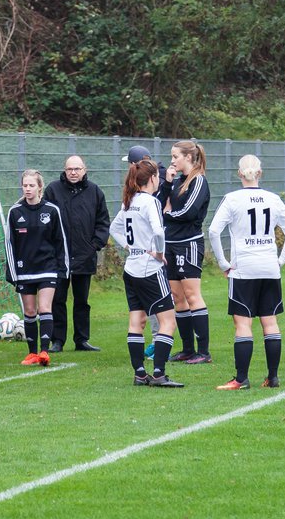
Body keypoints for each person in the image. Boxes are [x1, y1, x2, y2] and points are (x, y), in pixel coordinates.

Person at [208, 155, 285, 390]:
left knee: (243, 324)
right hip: (269, 267)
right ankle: (273, 377)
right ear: (260, 173)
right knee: (270, 322)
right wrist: (280, 260)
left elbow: (213, 231)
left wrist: (223, 263)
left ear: (239, 173)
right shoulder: (272, 198)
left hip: (244, 268)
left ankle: (241, 379)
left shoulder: (232, 199)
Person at [110, 158, 183, 388]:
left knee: (137, 320)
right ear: (152, 178)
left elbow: (114, 228)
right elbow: (158, 233)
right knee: (168, 322)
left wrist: (129, 247)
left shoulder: (128, 201)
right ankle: (159, 373)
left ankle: (140, 373)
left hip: (131, 267)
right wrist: (160, 254)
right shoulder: (150, 201)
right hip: (149, 269)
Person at [43, 155, 110, 353]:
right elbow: (45, 219)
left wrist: (95, 245)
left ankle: (82, 340)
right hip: (59, 257)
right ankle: (58, 340)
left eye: (77, 169)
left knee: (82, 301)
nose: (73, 172)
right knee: (58, 300)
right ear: (64, 170)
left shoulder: (95, 192)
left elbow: (102, 220)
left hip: (84, 255)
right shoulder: (53, 190)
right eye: (70, 169)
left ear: (84, 170)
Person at [5, 169, 70, 366]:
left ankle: (44, 351)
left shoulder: (51, 210)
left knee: (44, 308)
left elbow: (61, 242)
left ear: (40, 187)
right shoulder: (15, 212)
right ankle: (32, 353)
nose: (27, 189)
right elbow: (9, 244)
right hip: (25, 271)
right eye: (25, 185)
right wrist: (13, 272)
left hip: (48, 268)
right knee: (30, 311)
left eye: (31, 185)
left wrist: (63, 269)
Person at [163, 141, 213, 364]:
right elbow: (163, 204)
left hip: (188, 243)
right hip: (170, 242)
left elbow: (189, 212)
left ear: (188, 158)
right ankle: (187, 349)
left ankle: (204, 352)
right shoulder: (176, 180)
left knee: (193, 296)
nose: (172, 160)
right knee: (178, 297)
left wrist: (166, 216)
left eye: (175, 156)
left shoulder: (198, 180)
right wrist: (167, 184)